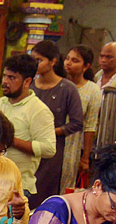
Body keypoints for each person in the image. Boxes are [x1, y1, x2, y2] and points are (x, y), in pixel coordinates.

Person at [0, 53, 55, 207]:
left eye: (12, 78)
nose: (5, 81)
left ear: (27, 81)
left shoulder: (38, 110)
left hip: (18, 188)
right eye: (4, 76)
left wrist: (11, 140)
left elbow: (49, 149)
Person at [30, 40, 84, 204]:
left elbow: (77, 122)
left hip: (52, 151)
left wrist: (50, 132)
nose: (35, 64)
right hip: (27, 146)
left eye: (39, 60)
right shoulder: (30, 85)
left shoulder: (67, 88)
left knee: (43, 194)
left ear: (53, 62)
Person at [63, 46, 102, 190]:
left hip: (73, 146)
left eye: (75, 60)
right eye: (67, 59)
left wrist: (85, 158)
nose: (68, 63)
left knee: (67, 187)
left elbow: (90, 125)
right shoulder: (59, 84)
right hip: (53, 140)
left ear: (86, 66)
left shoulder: (92, 90)